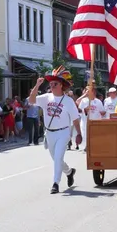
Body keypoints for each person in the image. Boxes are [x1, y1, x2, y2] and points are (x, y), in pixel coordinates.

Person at [28, 66, 82, 194]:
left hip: (63, 132)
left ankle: (55, 183)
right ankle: (69, 172)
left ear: (62, 85)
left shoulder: (69, 101)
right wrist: (37, 85)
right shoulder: (46, 97)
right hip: (49, 133)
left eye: (55, 84)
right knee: (56, 159)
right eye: (50, 84)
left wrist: (79, 134)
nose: (52, 86)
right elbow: (31, 100)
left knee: (57, 158)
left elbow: (75, 119)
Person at [78, 86, 106, 151]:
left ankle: (93, 146)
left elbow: (102, 111)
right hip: (86, 121)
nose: (89, 93)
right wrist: (85, 110)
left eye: (91, 91)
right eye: (88, 92)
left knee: (94, 135)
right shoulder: (84, 100)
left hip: (95, 121)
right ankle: (87, 146)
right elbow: (79, 110)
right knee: (85, 134)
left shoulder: (98, 101)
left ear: (94, 92)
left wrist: (103, 113)